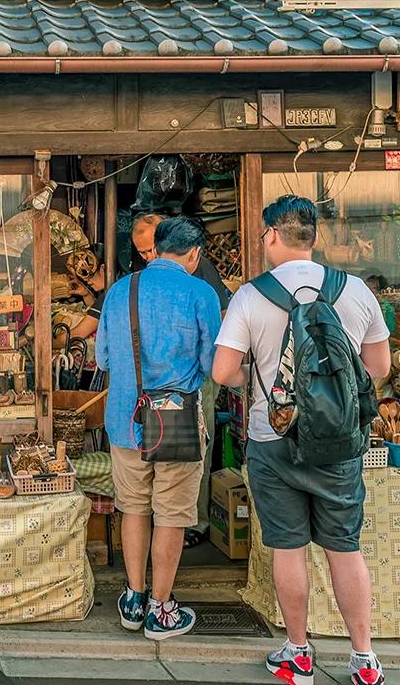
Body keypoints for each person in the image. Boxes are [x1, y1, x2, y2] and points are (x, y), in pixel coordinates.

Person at [212, 195, 391, 685]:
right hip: (340, 444)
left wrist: (263, 371)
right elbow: (378, 370)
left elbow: (223, 371)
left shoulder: (251, 296)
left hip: (274, 441)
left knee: (289, 549)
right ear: (314, 237)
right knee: (344, 548)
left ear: (271, 234)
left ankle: (298, 654)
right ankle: (364, 659)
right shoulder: (355, 292)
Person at [96, 217, 221, 640]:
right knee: (171, 513)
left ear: (155, 248)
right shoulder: (200, 292)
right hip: (177, 424)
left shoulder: (119, 292)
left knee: (133, 506)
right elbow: (211, 367)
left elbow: (104, 360)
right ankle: (160, 609)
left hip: (126, 420)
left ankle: (133, 597)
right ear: (193, 254)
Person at [132, 211, 228, 548]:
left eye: (149, 251)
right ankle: (172, 532)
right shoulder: (142, 281)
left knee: (192, 452)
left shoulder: (200, 277)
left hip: (190, 385)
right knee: (179, 457)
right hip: (176, 384)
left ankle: (195, 523)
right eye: (142, 253)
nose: (148, 258)